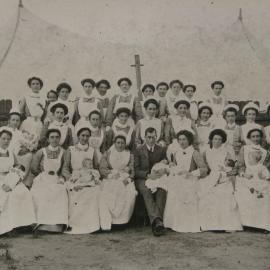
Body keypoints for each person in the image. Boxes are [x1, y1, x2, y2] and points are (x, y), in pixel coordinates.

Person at [146, 130, 208, 233]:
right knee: (169, 187)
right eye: (180, 139)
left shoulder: (194, 153)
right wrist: (168, 168)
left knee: (182, 190)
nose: (182, 142)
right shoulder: (177, 153)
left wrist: (190, 173)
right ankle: (171, 223)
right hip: (177, 178)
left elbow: (204, 169)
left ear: (189, 140)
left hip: (190, 179)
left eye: (184, 139)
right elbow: (174, 167)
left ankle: (184, 224)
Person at [198, 129, 242, 232]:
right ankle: (211, 225)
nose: (217, 141)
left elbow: (232, 168)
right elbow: (204, 168)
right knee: (207, 195)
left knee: (224, 196)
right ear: (211, 140)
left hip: (224, 177)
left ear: (223, 141)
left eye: (219, 139)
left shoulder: (226, 153)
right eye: (215, 139)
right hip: (211, 177)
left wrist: (225, 174)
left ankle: (224, 225)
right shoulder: (206, 152)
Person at [31, 129, 69, 233]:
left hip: (57, 178)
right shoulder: (41, 152)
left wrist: (62, 178)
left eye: (57, 137)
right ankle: (41, 224)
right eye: (52, 137)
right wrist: (42, 176)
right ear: (48, 139)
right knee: (42, 192)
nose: (54, 139)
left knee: (60, 192)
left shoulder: (64, 152)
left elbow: (65, 168)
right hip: (43, 177)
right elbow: (34, 168)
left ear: (60, 139)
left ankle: (57, 225)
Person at [65, 127, 101, 234]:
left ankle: (91, 224)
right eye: (82, 135)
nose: (85, 138)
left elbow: (95, 167)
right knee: (76, 191)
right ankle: (75, 223)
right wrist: (72, 179)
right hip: (74, 178)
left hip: (88, 179)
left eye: (87, 136)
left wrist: (93, 178)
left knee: (94, 191)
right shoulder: (70, 149)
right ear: (78, 136)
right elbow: (65, 168)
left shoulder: (92, 150)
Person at [0, 128, 36, 235]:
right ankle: (9, 225)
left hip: (11, 178)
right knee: (7, 195)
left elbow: (17, 167)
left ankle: (23, 224)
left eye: (8, 139)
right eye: (3, 139)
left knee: (23, 192)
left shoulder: (11, 153)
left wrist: (13, 179)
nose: (6, 141)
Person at [99, 133, 137, 230]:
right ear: (114, 143)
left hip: (125, 177)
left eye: (122, 143)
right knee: (109, 190)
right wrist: (111, 174)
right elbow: (102, 168)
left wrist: (128, 179)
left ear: (125, 144)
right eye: (118, 143)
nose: (120, 145)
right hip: (111, 177)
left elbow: (132, 170)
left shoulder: (130, 154)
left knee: (129, 191)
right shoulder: (108, 153)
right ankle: (112, 220)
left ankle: (122, 221)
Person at [134, 127, 168, 236]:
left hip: (157, 177)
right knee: (146, 191)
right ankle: (157, 221)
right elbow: (135, 170)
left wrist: (160, 171)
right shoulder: (138, 150)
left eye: (154, 137)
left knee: (162, 190)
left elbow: (164, 164)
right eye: (149, 137)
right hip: (143, 178)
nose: (151, 140)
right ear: (145, 137)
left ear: (156, 137)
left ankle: (157, 222)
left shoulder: (161, 149)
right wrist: (148, 175)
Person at [235, 128, 270, 231]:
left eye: (257, 136)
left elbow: (265, 166)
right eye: (253, 136)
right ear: (249, 138)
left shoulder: (265, 152)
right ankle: (247, 223)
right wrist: (243, 174)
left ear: (261, 138)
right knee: (245, 192)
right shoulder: (244, 148)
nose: (255, 138)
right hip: (247, 175)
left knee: (264, 194)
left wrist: (264, 175)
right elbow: (240, 164)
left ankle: (262, 224)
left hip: (259, 177)